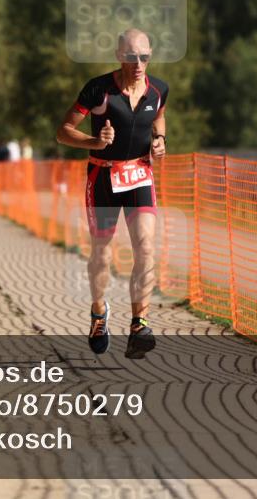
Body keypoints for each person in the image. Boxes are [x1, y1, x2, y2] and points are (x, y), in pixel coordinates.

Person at [55, 28, 167, 359]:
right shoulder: (99, 89)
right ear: (119, 55)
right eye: (131, 57)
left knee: (146, 246)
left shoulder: (158, 89)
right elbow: (63, 132)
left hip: (139, 174)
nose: (138, 63)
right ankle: (99, 313)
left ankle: (139, 324)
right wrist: (94, 142)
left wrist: (160, 141)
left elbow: (159, 116)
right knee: (102, 252)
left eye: (144, 57)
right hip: (103, 176)